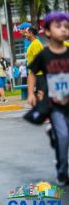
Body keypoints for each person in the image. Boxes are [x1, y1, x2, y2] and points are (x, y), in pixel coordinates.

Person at [27, 12, 69, 186]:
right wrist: (30, 93)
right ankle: (62, 171)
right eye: (58, 26)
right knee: (64, 136)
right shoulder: (44, 55)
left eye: (66, 27)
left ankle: (53, 133)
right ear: (48, 32)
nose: (63, 30)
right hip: (55, 104)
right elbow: (32, 73)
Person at [26, 26, 45, 100]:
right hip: (35, 74)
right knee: (37, 95)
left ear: (31, 33)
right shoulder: (33, 43)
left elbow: (38, 60)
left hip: (38, 74)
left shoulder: (36, 44)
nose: (25, 34)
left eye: (27, 33)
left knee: (40, 94)